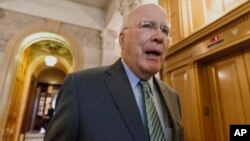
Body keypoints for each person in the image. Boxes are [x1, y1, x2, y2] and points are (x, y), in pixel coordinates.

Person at [44, 3, 183, 141]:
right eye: (147, 26)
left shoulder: (172, 96)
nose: (159, 36)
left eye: (165, 30)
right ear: (122, 40)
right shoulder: (80, 87)